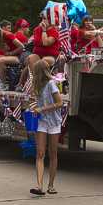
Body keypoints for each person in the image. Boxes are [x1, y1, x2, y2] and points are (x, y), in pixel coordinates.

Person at [29, 59, 63, 196]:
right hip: (42, 121)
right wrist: (34, 106)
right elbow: (36, 101)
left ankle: (51, 185)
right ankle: (39, 185)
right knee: (40, 153)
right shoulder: (36, 85)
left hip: (54, 121)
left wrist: (42, 108)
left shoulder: (51, 84)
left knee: (53, 153)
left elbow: (59, 103)